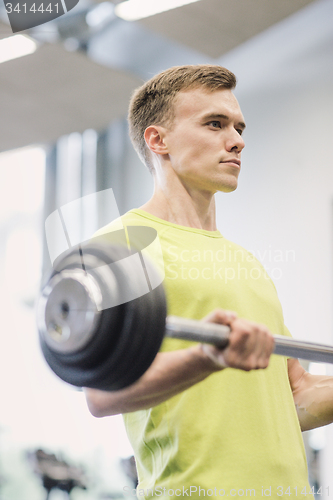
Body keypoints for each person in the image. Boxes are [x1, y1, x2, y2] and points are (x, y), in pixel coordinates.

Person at [84, 65, 333, 499]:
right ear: (158, 140)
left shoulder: (246, 262)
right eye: (214, 124)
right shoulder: (121, 245)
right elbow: (102, 395)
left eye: (238, 127)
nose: (237, 140)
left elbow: (294, 397)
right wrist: (208, 357)